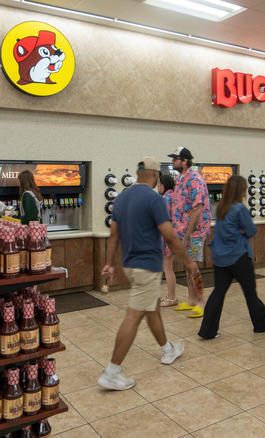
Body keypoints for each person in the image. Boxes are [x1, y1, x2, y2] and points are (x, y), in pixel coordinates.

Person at [99, 156, 198, 391]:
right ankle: (112, 372)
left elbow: (114, 235)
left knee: (151, 308)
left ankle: (167, 349)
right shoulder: (155, 199)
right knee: (134, 316)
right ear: (155, 175)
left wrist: (109, 264)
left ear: (137, 172)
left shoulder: (121, 198)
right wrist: (189, 260)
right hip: (147, 266)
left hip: (129, 265)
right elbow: (170, 236)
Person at [198, 175, 265, 339]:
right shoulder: (239, 208)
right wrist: (242, 231)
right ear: (241, 190)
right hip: (239, 257)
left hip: (221, 259)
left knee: (218, 293)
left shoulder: (221, 208)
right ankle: (262, 325)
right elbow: (252, 231)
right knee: (250, 293)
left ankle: (207, 330)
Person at [168, 146, 211, 318]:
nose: (173, 162)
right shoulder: (181, 178)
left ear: (184, 161)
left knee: (194, 267)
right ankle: (192, 299)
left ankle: (201, 302)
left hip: (195, 232)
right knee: (188, 265)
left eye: (175, 159)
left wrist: (188, 234)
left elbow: (197, 208)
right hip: (183, 231)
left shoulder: (194, 179)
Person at [158, 174, 178, 307]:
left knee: (167, 268)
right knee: (168, 267)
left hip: (167, 236)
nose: (157, 186)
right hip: (172, 235)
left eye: (158, 184)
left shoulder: (165, 198)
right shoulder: (173, 196)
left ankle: (171, 297)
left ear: (163, 185)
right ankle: (170, 295)